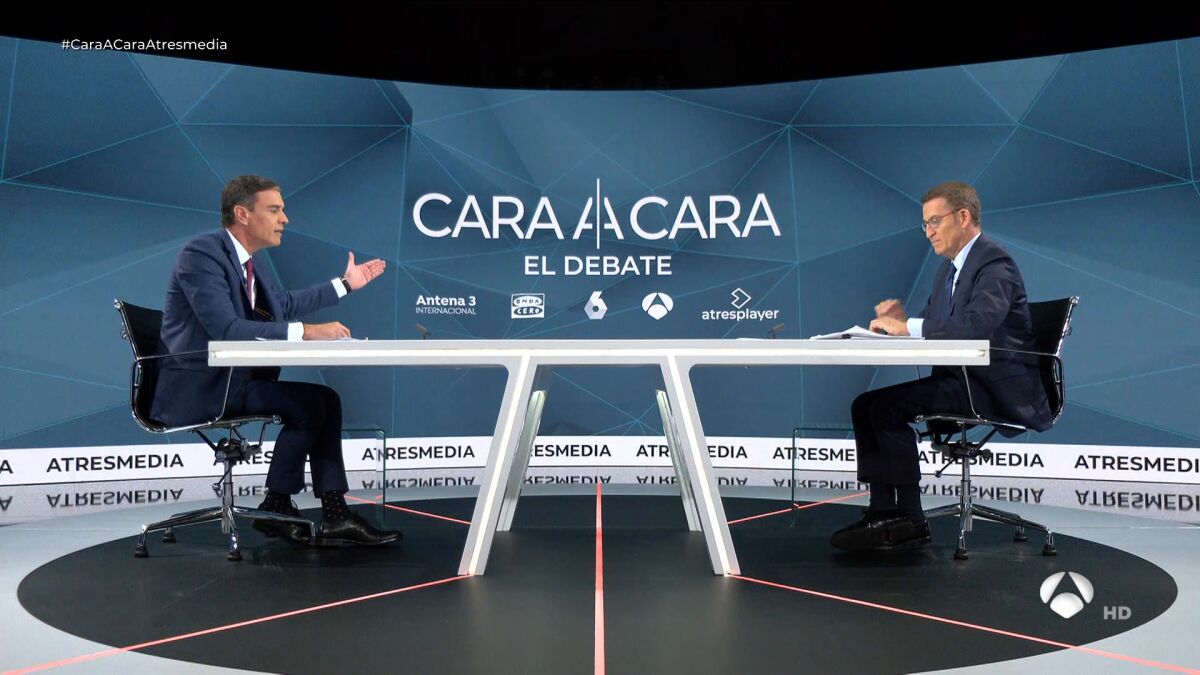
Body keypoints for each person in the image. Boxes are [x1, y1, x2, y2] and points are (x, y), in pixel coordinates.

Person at [151, 175, 400, 547]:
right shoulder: (201, 255)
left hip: (239, 380)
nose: (285, 218)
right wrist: (307, 331)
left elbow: (282, 305)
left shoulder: (251, 262)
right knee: (309, 406)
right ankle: (278, 504)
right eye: (274, 210)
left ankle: (330, 513)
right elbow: (226, 329)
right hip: (204, 387)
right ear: (242, 214)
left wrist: (345, 284)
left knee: (325, 400)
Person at [830, 181, 1053, 551]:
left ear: (963, 217)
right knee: (865, 405)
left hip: (991, 387)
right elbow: (931, 325)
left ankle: (910, 518)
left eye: (935, 221)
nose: (929, 231)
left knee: (884, 409)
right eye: (926, 224)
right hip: (961, 380)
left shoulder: (994, 263)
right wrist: (892, 330)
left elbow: (975, 325)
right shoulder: (948, 271)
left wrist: (909, 327)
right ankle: (882, 511)